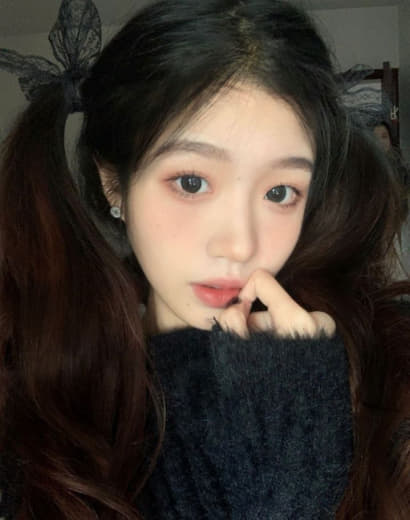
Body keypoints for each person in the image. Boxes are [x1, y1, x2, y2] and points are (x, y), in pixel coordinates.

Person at [0, 0, 409, 518]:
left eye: (280, 192)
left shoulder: (382, 371)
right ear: (113, 183)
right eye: (191, 182)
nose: (240, 245)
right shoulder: (34, 386)